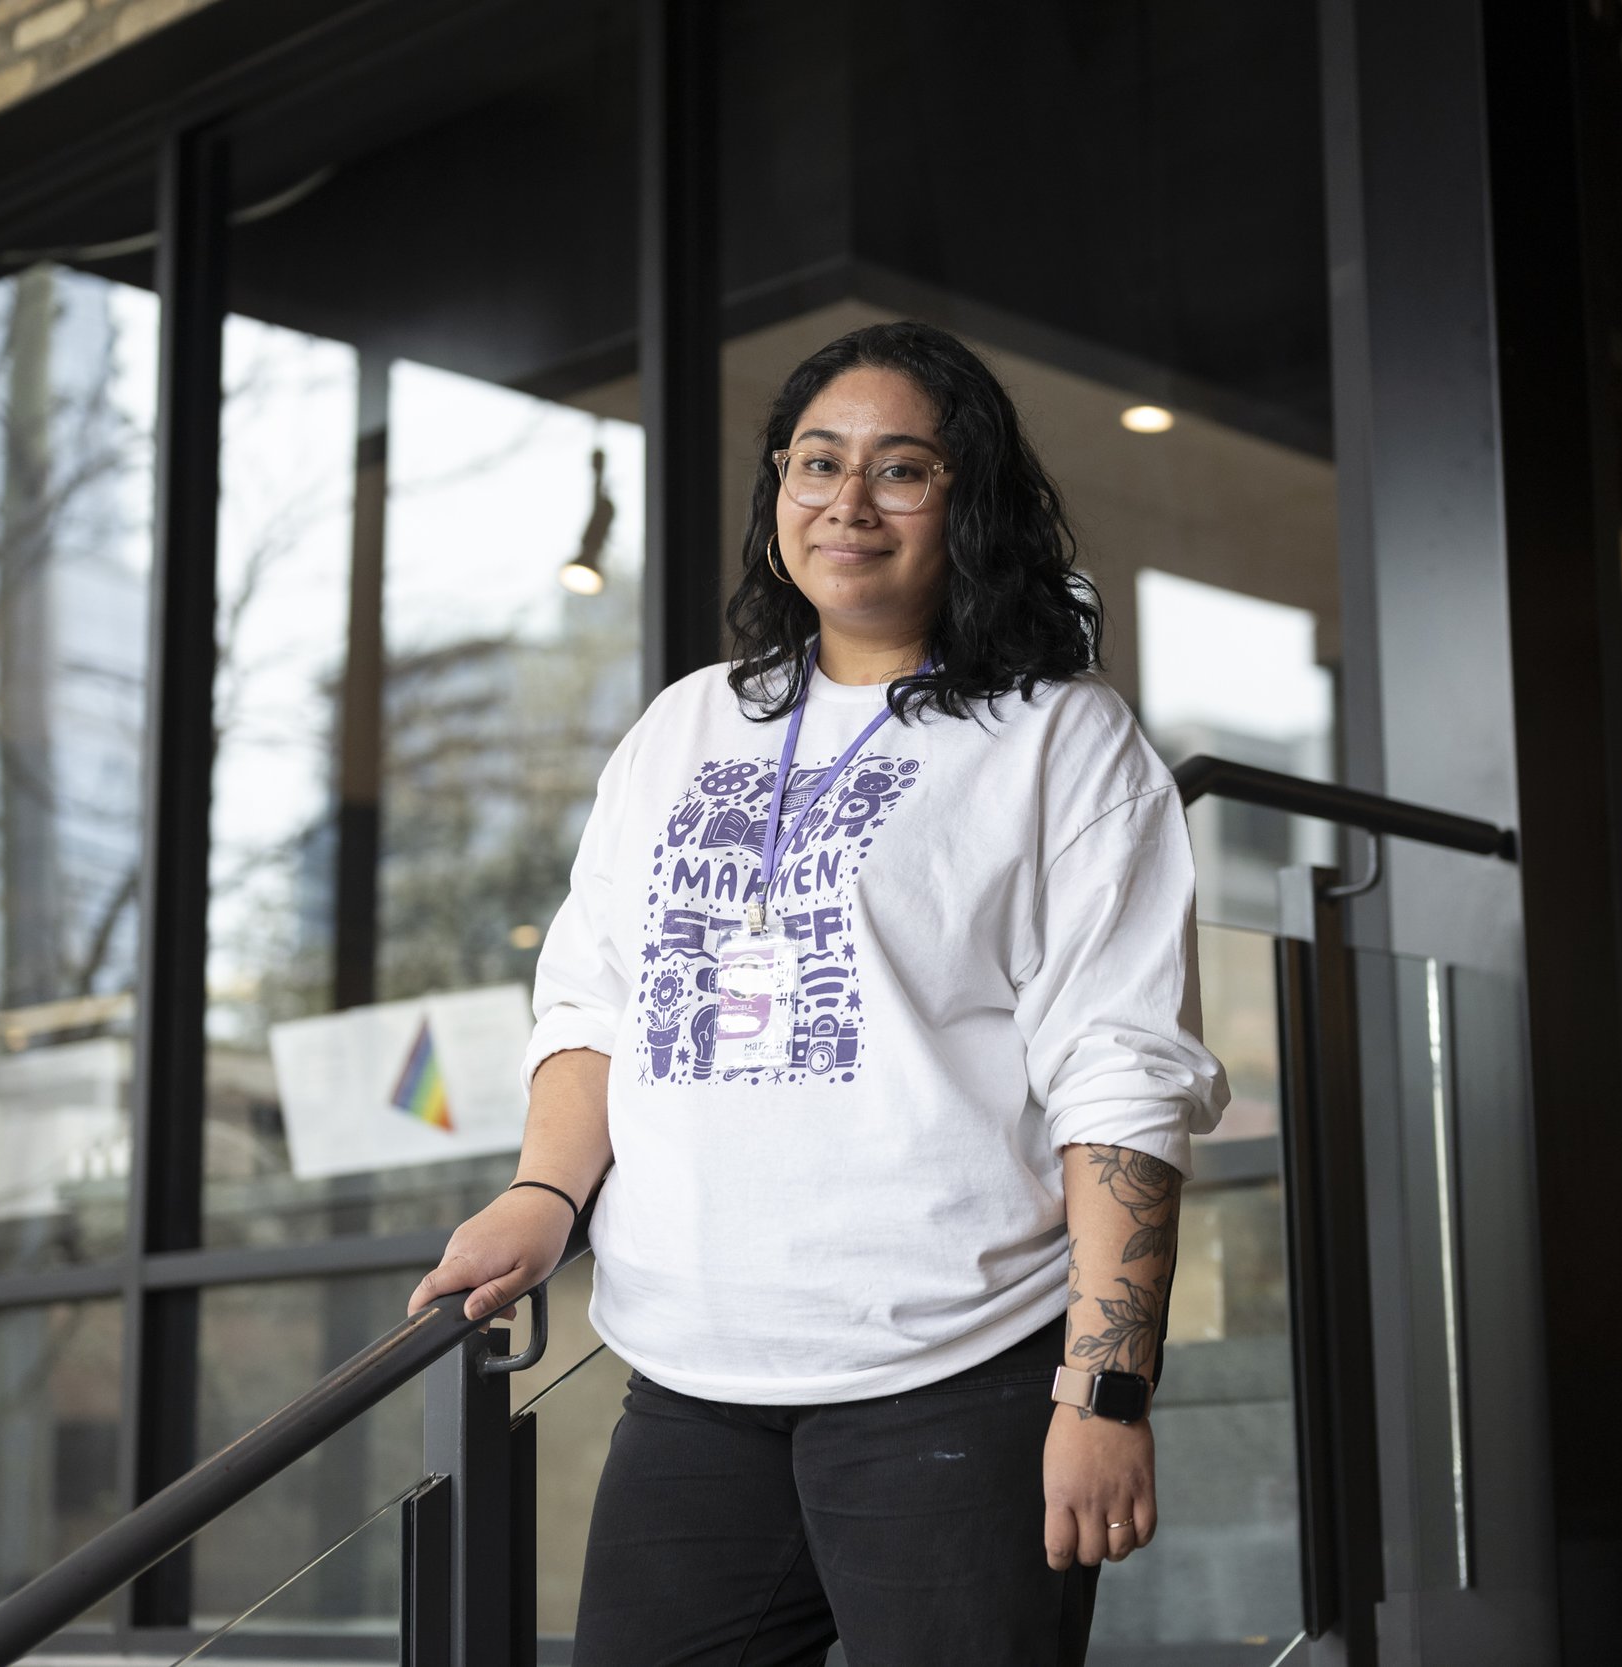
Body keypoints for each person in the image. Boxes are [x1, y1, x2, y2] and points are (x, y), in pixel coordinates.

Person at [408, 321, 1226, 1665]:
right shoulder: (685, 725)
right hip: (687, 1381)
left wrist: (1106, 1389)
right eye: (816, 462)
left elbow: (1122, 1075)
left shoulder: (1060, 742)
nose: (847, 502)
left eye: (903, 469)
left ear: (972, 502)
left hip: (956, 1376)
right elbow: (597, 998)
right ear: (776, 488)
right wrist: (543, 1194)